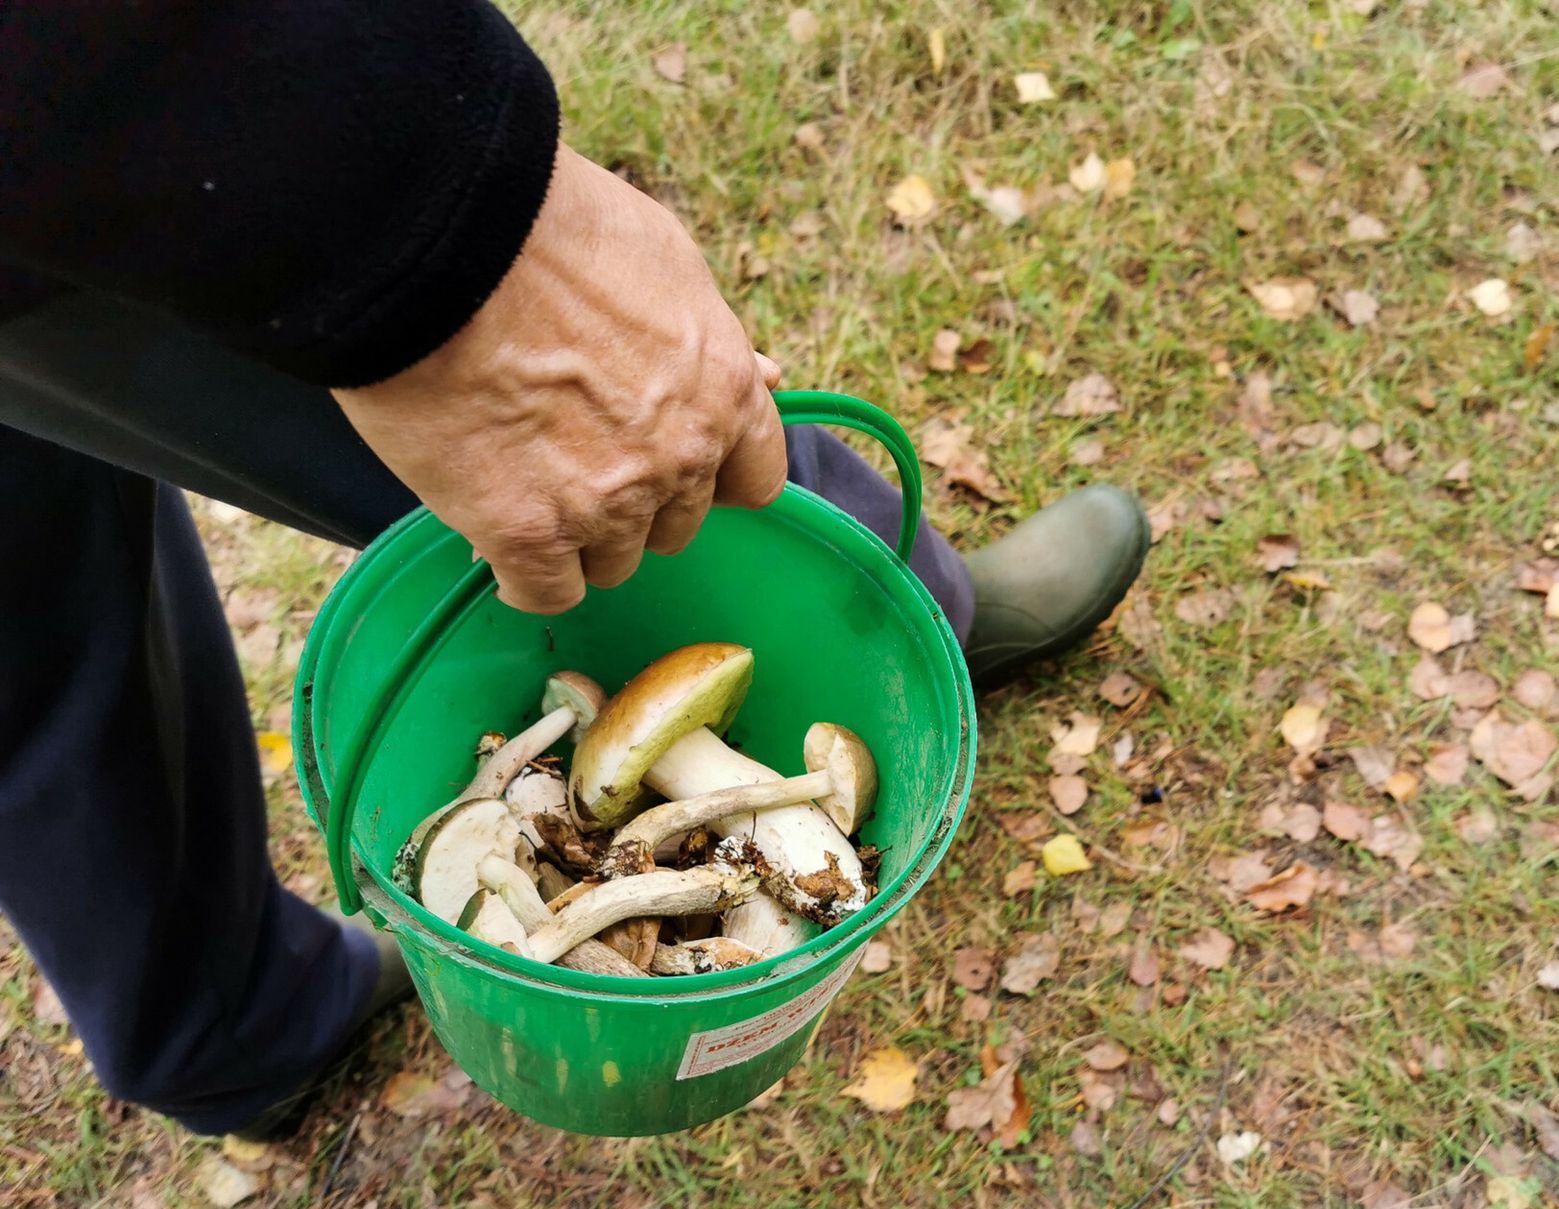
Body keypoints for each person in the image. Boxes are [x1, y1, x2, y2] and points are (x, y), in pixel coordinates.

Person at [0, 2, 1148, 1139]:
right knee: (630, 459)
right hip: (165, 134)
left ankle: (222, 1033)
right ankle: (917, 616)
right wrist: (424, 240)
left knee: (24, 597)